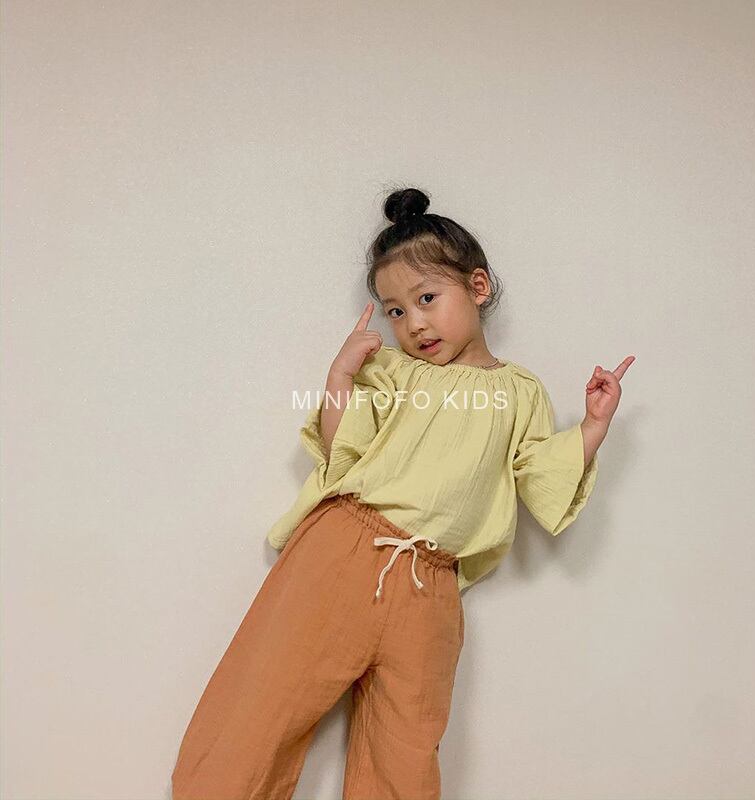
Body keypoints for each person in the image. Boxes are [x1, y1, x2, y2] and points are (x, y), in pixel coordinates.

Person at [171, 187, 634, 800]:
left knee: (407, 752)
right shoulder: (394, 373)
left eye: (426, 298)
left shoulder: (520, 392)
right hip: (343, 553)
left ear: (477, 286)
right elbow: (344, 451)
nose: (413, 323)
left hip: (431, 587)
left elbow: (539, 475)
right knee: (264, 704)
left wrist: (593, 426)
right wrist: (341, 376)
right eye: (394, 310)